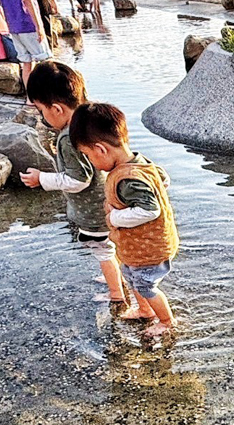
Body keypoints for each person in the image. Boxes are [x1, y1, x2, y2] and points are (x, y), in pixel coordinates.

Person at [19, 62, 126, 304]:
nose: (43, 118)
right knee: (111, 246)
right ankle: (118, 278)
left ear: (56, 109)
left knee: (102, 251)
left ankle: (116, 293)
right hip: (108, 200)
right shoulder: (89, 119)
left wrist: (42, 179)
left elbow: (79, 179)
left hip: (94, 209)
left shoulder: (69, 138)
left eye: (41, 111)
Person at [70, 103, 179, 338]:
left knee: (146, 285)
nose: (91, 162)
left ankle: (166, 321)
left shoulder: (127, 179)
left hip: (150, 249)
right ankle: (144, 310)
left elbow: (150, 211)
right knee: (130, 275)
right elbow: (163, 178)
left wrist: (115, 216)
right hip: (137, 247)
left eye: (88, 156)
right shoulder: (140, 162)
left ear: (101, 149)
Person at [0, 0, 51, 94]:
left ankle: (30, 98)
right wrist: (38, 25)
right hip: (28, 24)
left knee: (26, 63)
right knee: (44, 61)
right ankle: (48, 95)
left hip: (13, 25)